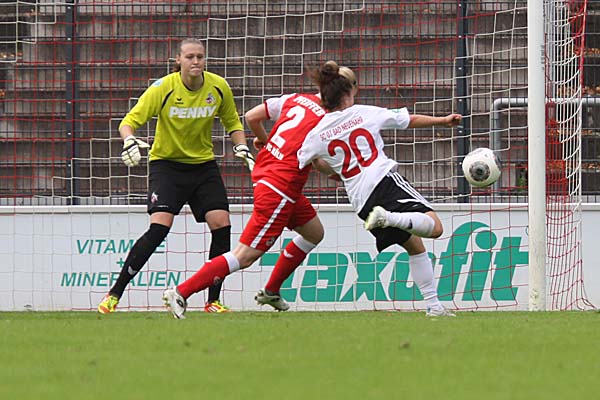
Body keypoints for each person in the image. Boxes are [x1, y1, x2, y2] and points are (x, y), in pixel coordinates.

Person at [161, 62, 358, 318]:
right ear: (345, 94)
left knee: (314, 233)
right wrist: (341, 175)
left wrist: (266, 141)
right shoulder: (327, 122)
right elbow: (319, 162)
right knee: (244, 256)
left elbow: (252, 116)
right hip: (280, 187)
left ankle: (271, 290)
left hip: (269, 174)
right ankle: (180, 292)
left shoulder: (295, 99)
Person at [97, 38, 255, 314]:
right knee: (159, 228)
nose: (195, 61)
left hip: (203, 166)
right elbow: (129, 122)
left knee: (222, 224)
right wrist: (129, 140)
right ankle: (115, 294)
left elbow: (232, 121)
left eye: (200, 57)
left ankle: (213, 301)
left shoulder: (218, 87)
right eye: (190, 57)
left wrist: (241, 145)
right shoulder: (163, 87)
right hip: (167, 166)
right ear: (178, 60)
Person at [298, 61, 462, 317]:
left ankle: (434, 307)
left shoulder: (316, 134)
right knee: (436, 228)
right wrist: (442, 120)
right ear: (347, 93)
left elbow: (308, 161)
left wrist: (332, 171)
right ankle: (390, 217)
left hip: (361, 201)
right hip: (384, 182)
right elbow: (407, 120)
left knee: (415, 246)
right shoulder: (363, 112)